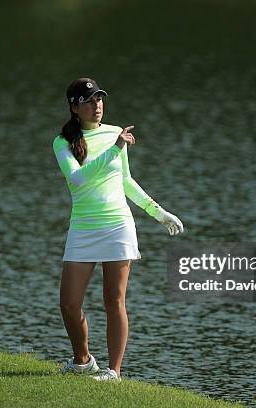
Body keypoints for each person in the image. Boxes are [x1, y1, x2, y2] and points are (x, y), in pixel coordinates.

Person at [52, 78, 184, 382]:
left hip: (117, 226)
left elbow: (126, 182)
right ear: (74, 107)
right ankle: (83, 361)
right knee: (69, 304)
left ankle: (114, 371)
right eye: (88, 100)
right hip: (83, 229)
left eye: (99, 99)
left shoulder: (115, 134)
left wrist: (159, 212)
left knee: (114, 300)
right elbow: (79, 179)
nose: (96, 105)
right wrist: (115, 149)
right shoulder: (62, 142)